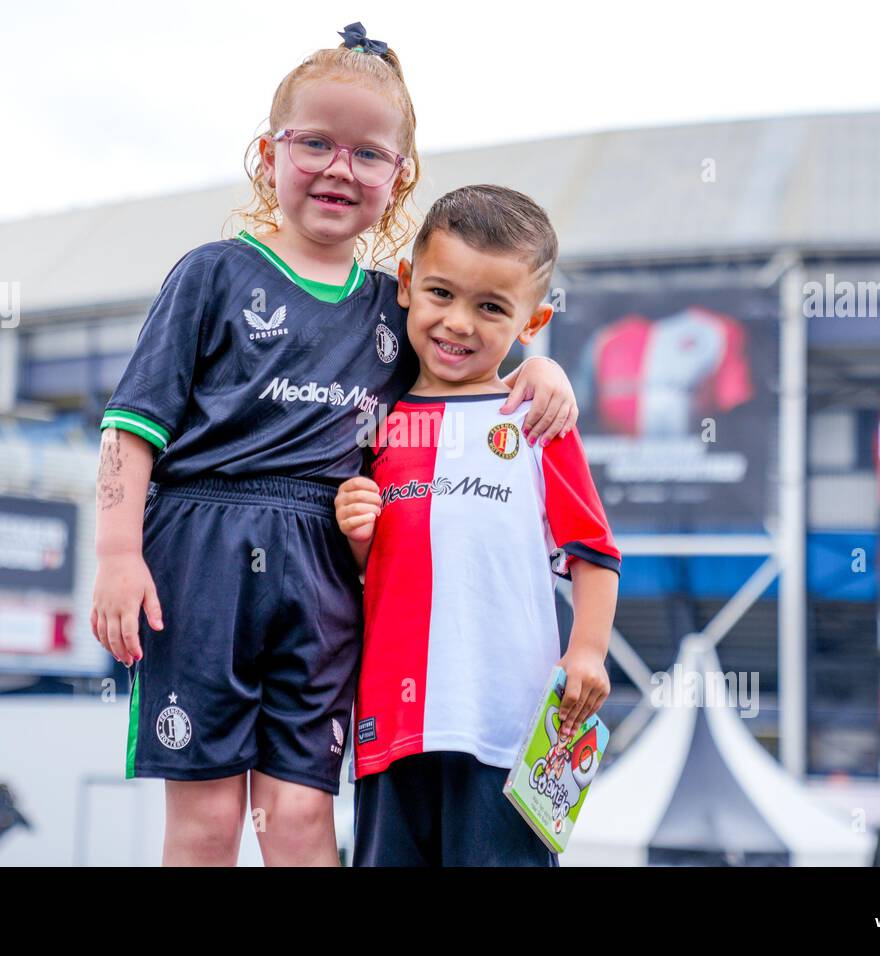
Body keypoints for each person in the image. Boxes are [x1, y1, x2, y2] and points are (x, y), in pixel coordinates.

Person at [90, 25, 580, 866]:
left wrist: (546, 367)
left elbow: (469, 339)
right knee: (208, 823)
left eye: (366, 153)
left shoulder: (393, 308)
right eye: (314, 143)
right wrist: (116, 555)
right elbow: (130, 428)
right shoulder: (210, 274)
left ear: (399, 179)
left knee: (298, 821)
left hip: (322, 569)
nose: (337, 168)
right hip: (201, 555)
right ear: (267, 155)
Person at [334, 184, 621, 866]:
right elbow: (357, 579)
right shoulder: (370, 421)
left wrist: (588, 653)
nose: (459, 322)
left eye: (491, 307)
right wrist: (356, 537)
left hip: (509, 731)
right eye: (441, 294)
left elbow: (594, 550)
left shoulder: (536, 419)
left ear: (532, 320)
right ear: (406, 284)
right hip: (389, 732)